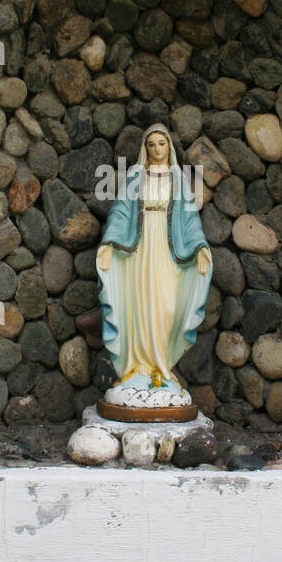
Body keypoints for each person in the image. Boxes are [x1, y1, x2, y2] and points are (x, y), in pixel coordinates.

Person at [96, 124, 212, 390]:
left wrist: (201, 247)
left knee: (166, 306)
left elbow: (189, 218)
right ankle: (137, 366)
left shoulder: (178, 178)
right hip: (140, 248)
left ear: (168, 147)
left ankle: (162, 364)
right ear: (145, 148)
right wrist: (109, 244)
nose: (157, 149)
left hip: (167, 250)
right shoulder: (136, 176)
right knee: (138, 303)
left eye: (162, 144)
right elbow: (121, 211)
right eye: (152, 144)